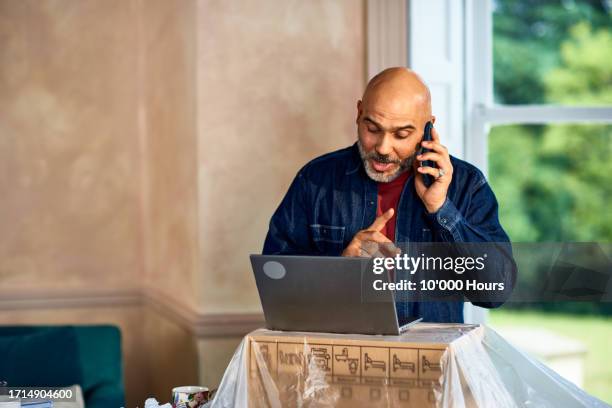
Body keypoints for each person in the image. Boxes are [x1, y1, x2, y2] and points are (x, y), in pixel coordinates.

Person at [262, 67, 516, 323]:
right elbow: (275, 281)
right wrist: (339, 266)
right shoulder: (315, 180)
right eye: (372, 129)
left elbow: (496, 292)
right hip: (341, 358)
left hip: (430, 360)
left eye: (401, 134)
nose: (383, 148)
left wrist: (441, 209)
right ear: (359, 113)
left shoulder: (465, 184)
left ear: (428, 129)